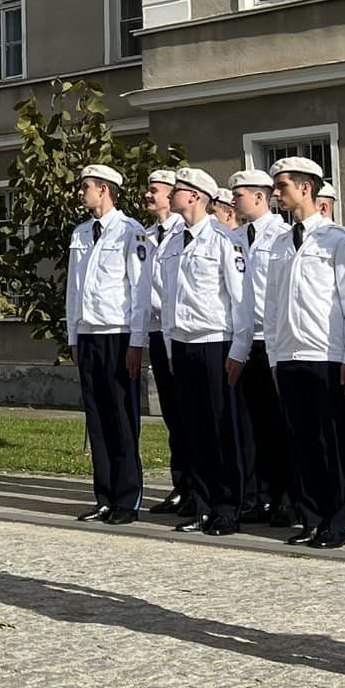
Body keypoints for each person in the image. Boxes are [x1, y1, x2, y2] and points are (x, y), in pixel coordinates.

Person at [250, 157, 345, 549]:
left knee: (336, 443)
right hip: (292, 356)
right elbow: (273, 304)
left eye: (282, 186)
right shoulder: (282, 242)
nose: (277, 193)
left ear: (305, 188)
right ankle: (312, 517)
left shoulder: (336, 238)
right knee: (303, 443)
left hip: (328, 355)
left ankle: (340, 519)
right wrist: (276, 357)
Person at [161, 167, 245, 535]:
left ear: (195, 196)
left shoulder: (224, 241)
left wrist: (239, 350)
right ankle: (202, 503)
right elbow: (167, 299)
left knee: (220, 430)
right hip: (182, 344)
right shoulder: (171, 242)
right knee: (192, 430)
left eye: (178, 190)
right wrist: (167, 345)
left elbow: (240, 299)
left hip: (215, 342)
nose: (172, 195)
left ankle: (226, 507)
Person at [65, 163, 148, 525]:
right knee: (96, 418)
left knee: (121, 418)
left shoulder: (131, 232)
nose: (80, 193)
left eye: (85, 187)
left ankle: (127, 499)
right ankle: (104, 495)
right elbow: (73, 289)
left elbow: (140, 290)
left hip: (118, 333)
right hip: (88, 335)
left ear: (104, 189)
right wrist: (73, 335)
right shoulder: (81, 233)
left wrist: (137, 340)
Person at [227, 169, 298, 527]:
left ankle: (286, 498)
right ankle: (257, 497)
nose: (234, 200)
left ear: (259, 197)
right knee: (250, 427)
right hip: (245, 339)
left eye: (239, 194)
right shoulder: (235, 237)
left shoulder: (283, 235)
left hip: (274, 340)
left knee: (279, 425)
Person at [134, 169, 188, 514]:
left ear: (171, 194)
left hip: (181, 331)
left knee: (188, 414)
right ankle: (180, 484)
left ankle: (197, 486)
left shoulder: (185, 233)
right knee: (171, 414)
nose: (148, 196)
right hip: (156, 331)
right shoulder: (147, 235)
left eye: (154, 191)